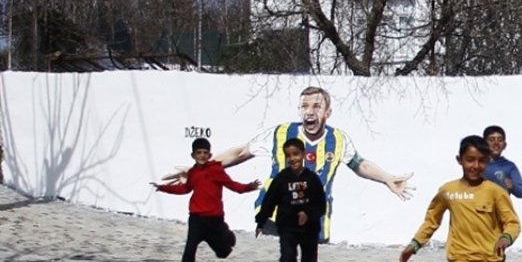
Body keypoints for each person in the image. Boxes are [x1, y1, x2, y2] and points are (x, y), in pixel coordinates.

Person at [168, 86, 415, 243]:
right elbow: (241, 151)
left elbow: (359, 164)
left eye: (316, 106)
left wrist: (387, 179)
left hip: (314, 213)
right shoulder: (281, 133)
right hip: (279, 210)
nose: (309, 111)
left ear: (327, 112)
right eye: (305, 106)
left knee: (308, 258)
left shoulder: (337, 139)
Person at [151, 137, 260, 262]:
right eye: (198, 153)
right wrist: (163, 188)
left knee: (223, 253)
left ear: (210, 155)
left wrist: (248, 187)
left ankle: (228, 235)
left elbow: (233, 185)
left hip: (214, 220)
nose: (202, 156)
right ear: (193, 155)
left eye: (205, 153)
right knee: (189, 249)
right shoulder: (193, 172)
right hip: (196, 218)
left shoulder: (216, 170)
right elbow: (185, 189)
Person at [255, 137, 326, 262]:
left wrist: (308, 214)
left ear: (303, 155)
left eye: (296, 154)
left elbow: (321, 205)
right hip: (287, 226)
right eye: (289, 156)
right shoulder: (281, 178)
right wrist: (261, 221)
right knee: (288, 255)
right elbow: (269, 201)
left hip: (309, 229)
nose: (293, 158)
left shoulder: (312, 179)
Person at [483, 125, 522, 198]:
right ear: (483, 143)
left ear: (505, 145)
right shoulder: (477, 164)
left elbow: (521, 192)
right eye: (491, 140)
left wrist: (512, 186)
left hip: (500, 208)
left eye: (500, 140)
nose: (496, 143)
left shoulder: (509, 166)